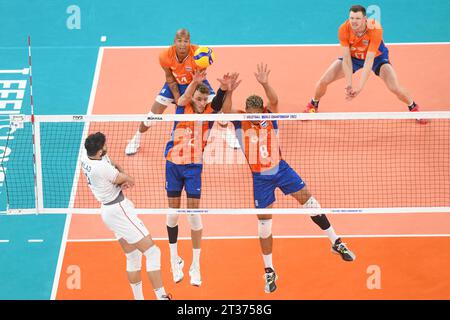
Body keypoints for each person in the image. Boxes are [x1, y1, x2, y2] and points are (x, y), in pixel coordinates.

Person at [222, 64, 356, 294]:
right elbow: (225, 112)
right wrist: (229, 91)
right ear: (245, 111)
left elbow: (274, 100)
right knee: (264, 224)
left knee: (311, 203)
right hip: (260, 179)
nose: (254, 116)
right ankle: (269, 271)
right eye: (250, 112)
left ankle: (336, 242)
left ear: (261, 110)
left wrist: (265, 83)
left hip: (281, 170)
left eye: (257, 112)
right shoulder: (239, 122)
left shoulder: (269, 118)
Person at [81, 132, 170, 300]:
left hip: (108, 212)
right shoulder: (102, 168)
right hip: (119, 210)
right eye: (104, 146)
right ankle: (162, 297)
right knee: (152, 252)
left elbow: (114, 166)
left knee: (133, 256)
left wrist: (120, 177)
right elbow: (129, 179)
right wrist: (125, 179)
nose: (106, 147)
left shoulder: (87, 158)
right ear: (100, 151)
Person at [304, 5, 427, 123]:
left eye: (357, 18)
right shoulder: (343, 29)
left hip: (377, 57)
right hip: (354, 57)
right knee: (323, 81)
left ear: (364, 19)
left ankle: (413, 107)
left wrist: (359, 88)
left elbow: (369, 61)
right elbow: (346, 59)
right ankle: (313, 104)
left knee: (394, 87)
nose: (354, 21)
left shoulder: (375, 29)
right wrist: (349, 84)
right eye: (351, 18)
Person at [164, 69, 229, 286]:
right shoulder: (183, 107)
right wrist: (193, 82)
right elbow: (183, 97)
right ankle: (174, 260)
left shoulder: (210, 113)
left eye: (204, 99)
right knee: (172, 215)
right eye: (198, 99)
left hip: (193, 168)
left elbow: (219, 103)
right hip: (173, 165)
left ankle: (195, 265)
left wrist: (223, 88)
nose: (201, 102)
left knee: (193, 216)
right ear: (193, 98)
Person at [125, 28, 215, 155]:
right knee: (152, 115)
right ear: (174, 41)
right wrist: (178, 97)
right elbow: (169, 77)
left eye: (186, 41)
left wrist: (189, 96)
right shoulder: (165, 55)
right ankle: (136, 138)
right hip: (175, 83)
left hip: (195, 82)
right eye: (180, 41)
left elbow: (198, 80)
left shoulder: (200, 55)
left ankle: (228, 133)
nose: (183, 44)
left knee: (218, 106)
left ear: (190, 42)